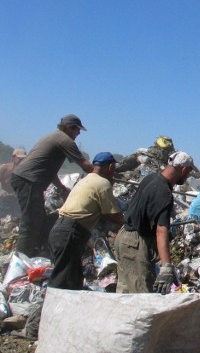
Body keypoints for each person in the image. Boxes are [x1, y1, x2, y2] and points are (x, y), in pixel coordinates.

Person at [11, 115, 93, 257]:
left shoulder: (54, 137)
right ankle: (21, 259)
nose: (78, 133)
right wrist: (104, 174)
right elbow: (85, 166)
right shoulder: (64, 140)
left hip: (25, 179)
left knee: (39, 218)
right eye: (76, 129)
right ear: (68, 127)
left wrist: (61, 188)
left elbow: (50, 171)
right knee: (30, 221)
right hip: (28, 180)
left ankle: (37, 249)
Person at [113, 150, 194, 294]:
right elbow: (161, 230)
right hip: (135, 244)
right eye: (188, 173)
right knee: (142, 297)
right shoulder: (164, 191)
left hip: (123, 237)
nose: (187, 177)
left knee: (124, 294)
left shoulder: (151, 178)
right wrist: (166, 266)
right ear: (184, 169)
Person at [48, 152, 124, 290]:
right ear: (111, 166)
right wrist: (129, 222)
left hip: (59, 230)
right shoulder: (103, 183)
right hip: (70, 233)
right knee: (61, 280)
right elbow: (112, 214)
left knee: (74, 278)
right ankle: (50, 309)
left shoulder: (85, 179)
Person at [0, 148, 27, 216]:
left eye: (23, 159)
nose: (21, 161)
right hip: (4, 199)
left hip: (17, 199)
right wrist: (1, 191)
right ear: (14, 157)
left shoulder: (24, 170)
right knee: (3, 218)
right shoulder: (4, 168)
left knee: (17, 219)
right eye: (19, 158)